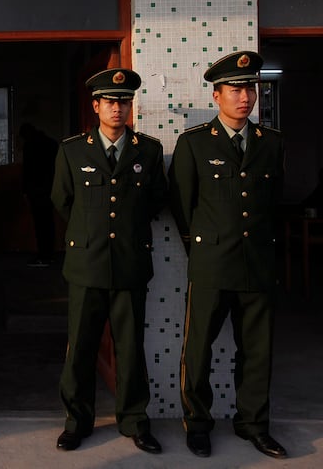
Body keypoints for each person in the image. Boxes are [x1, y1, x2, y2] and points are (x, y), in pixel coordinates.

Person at [168, 50, 286, 459]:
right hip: (212, 264)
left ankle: (253, 424)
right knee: (198, 349)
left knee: (256, 349)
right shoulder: (195, 143)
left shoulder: (271, 143)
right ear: (216, 95)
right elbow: (183, 203)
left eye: (250, 88)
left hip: (257, 264)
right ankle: (197, 424)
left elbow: (274, 203)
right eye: (235, 89)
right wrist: (203, 247)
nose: (245, 97)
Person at [51, 68, 167, 455]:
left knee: (131, 348)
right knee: (81, 348)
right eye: (111, 102)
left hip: (131, 264)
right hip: (86, 265)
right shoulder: (72, 150)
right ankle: (76, 422)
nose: (118, 109)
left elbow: (154, 202)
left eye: (125, 102)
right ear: (96, 106)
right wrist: (90, 235)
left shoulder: (148, 151)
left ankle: (134, 421)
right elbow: (62, 201)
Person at [19, 122, 59, 267]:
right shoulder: (51, 144)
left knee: (40, 225)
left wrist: (25, 190)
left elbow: (27, 170)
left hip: (36, 191)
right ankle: (49, 254)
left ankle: (43, 255)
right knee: (48, 223)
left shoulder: (30, 146)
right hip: (50, 189)